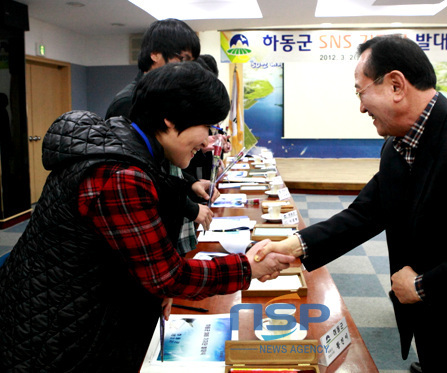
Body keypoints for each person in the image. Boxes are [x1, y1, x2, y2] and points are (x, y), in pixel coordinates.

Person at [255, 35, 447, 373]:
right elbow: (365, 214)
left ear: (396, 85)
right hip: (438, 319)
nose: (360, 106)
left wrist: (421, 285)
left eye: (360, 92)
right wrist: (293, 245)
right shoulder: (398, 145)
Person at [0, 61, 295, 372]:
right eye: (207, 127)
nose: (210, 140)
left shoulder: (121, 148)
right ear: (169, 119)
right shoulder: (120, 174)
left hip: (51, 309)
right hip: (59, 336)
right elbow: (167, 276)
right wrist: (247, 266)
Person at [105, 18, 212, 251]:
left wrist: (190, 184)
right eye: (181, 60)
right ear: (155, 54)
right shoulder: (129, 102)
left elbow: (164, 161)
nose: (185, 70)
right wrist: (191, 207)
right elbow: (141, 175)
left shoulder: (165, 97)